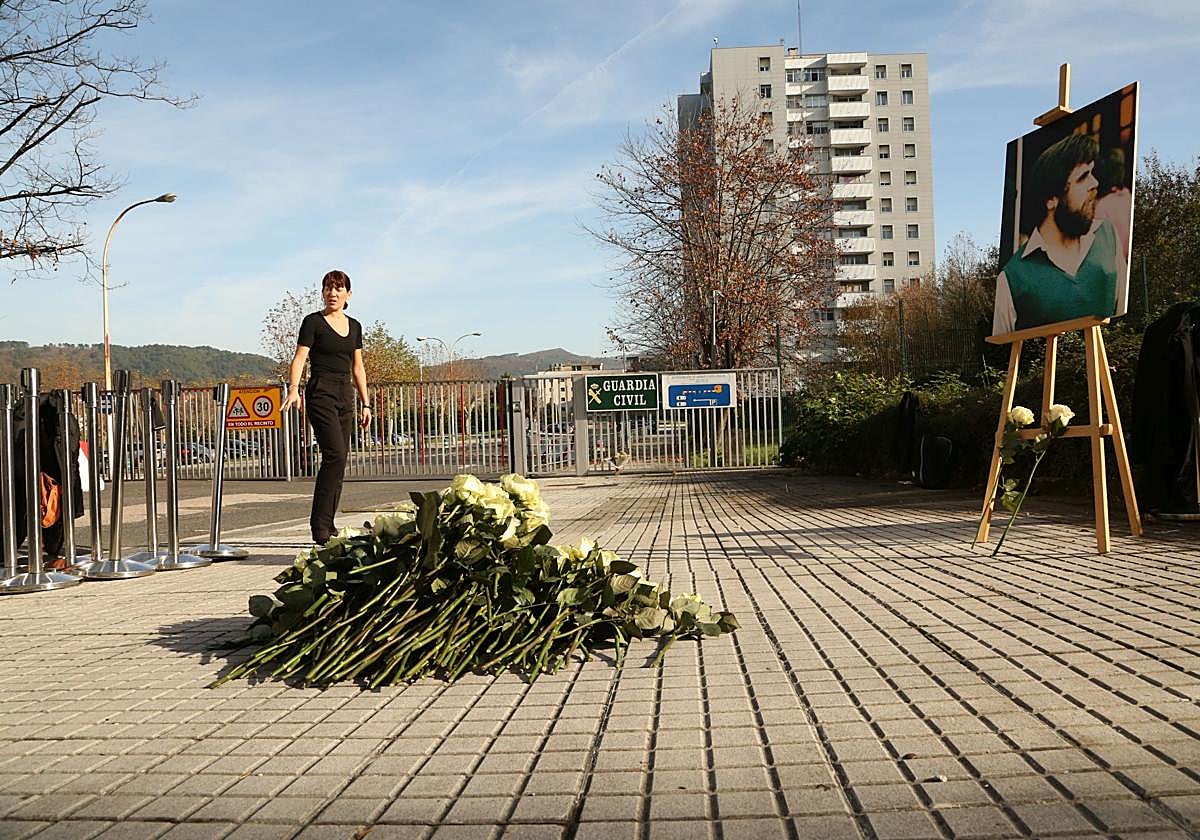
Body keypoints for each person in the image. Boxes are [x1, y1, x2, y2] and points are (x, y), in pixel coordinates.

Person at [993, 133, 1125, 335]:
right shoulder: (1012, 278)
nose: (1095, 183)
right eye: (1083, 177)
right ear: (1051, 199)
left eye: (1092, 172)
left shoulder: (1108, 236)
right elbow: (1003, 352)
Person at [281, 270, 371, 544]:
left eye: (338, 288)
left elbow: (358, 367)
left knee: (340, 459)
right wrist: (294, 389)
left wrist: (366, 403)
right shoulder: (313, 322)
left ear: (348, 294)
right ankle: (320, 528)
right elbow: (299, 358)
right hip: (321, 391)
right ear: (323, 292)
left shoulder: (354, 326)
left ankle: (329, 525)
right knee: (334, 454)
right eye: (328, 288)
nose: (333, 293)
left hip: (346, 393)